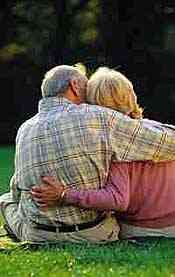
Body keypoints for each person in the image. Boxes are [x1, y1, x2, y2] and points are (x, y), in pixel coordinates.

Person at [1, 65, 175, 245]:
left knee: (6, 199)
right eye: (86, 87)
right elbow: (167, 141)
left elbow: (18, 188)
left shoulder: (24, 128)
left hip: (37, 234)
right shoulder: (98, 117)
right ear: (75, 85)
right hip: (93, 232)